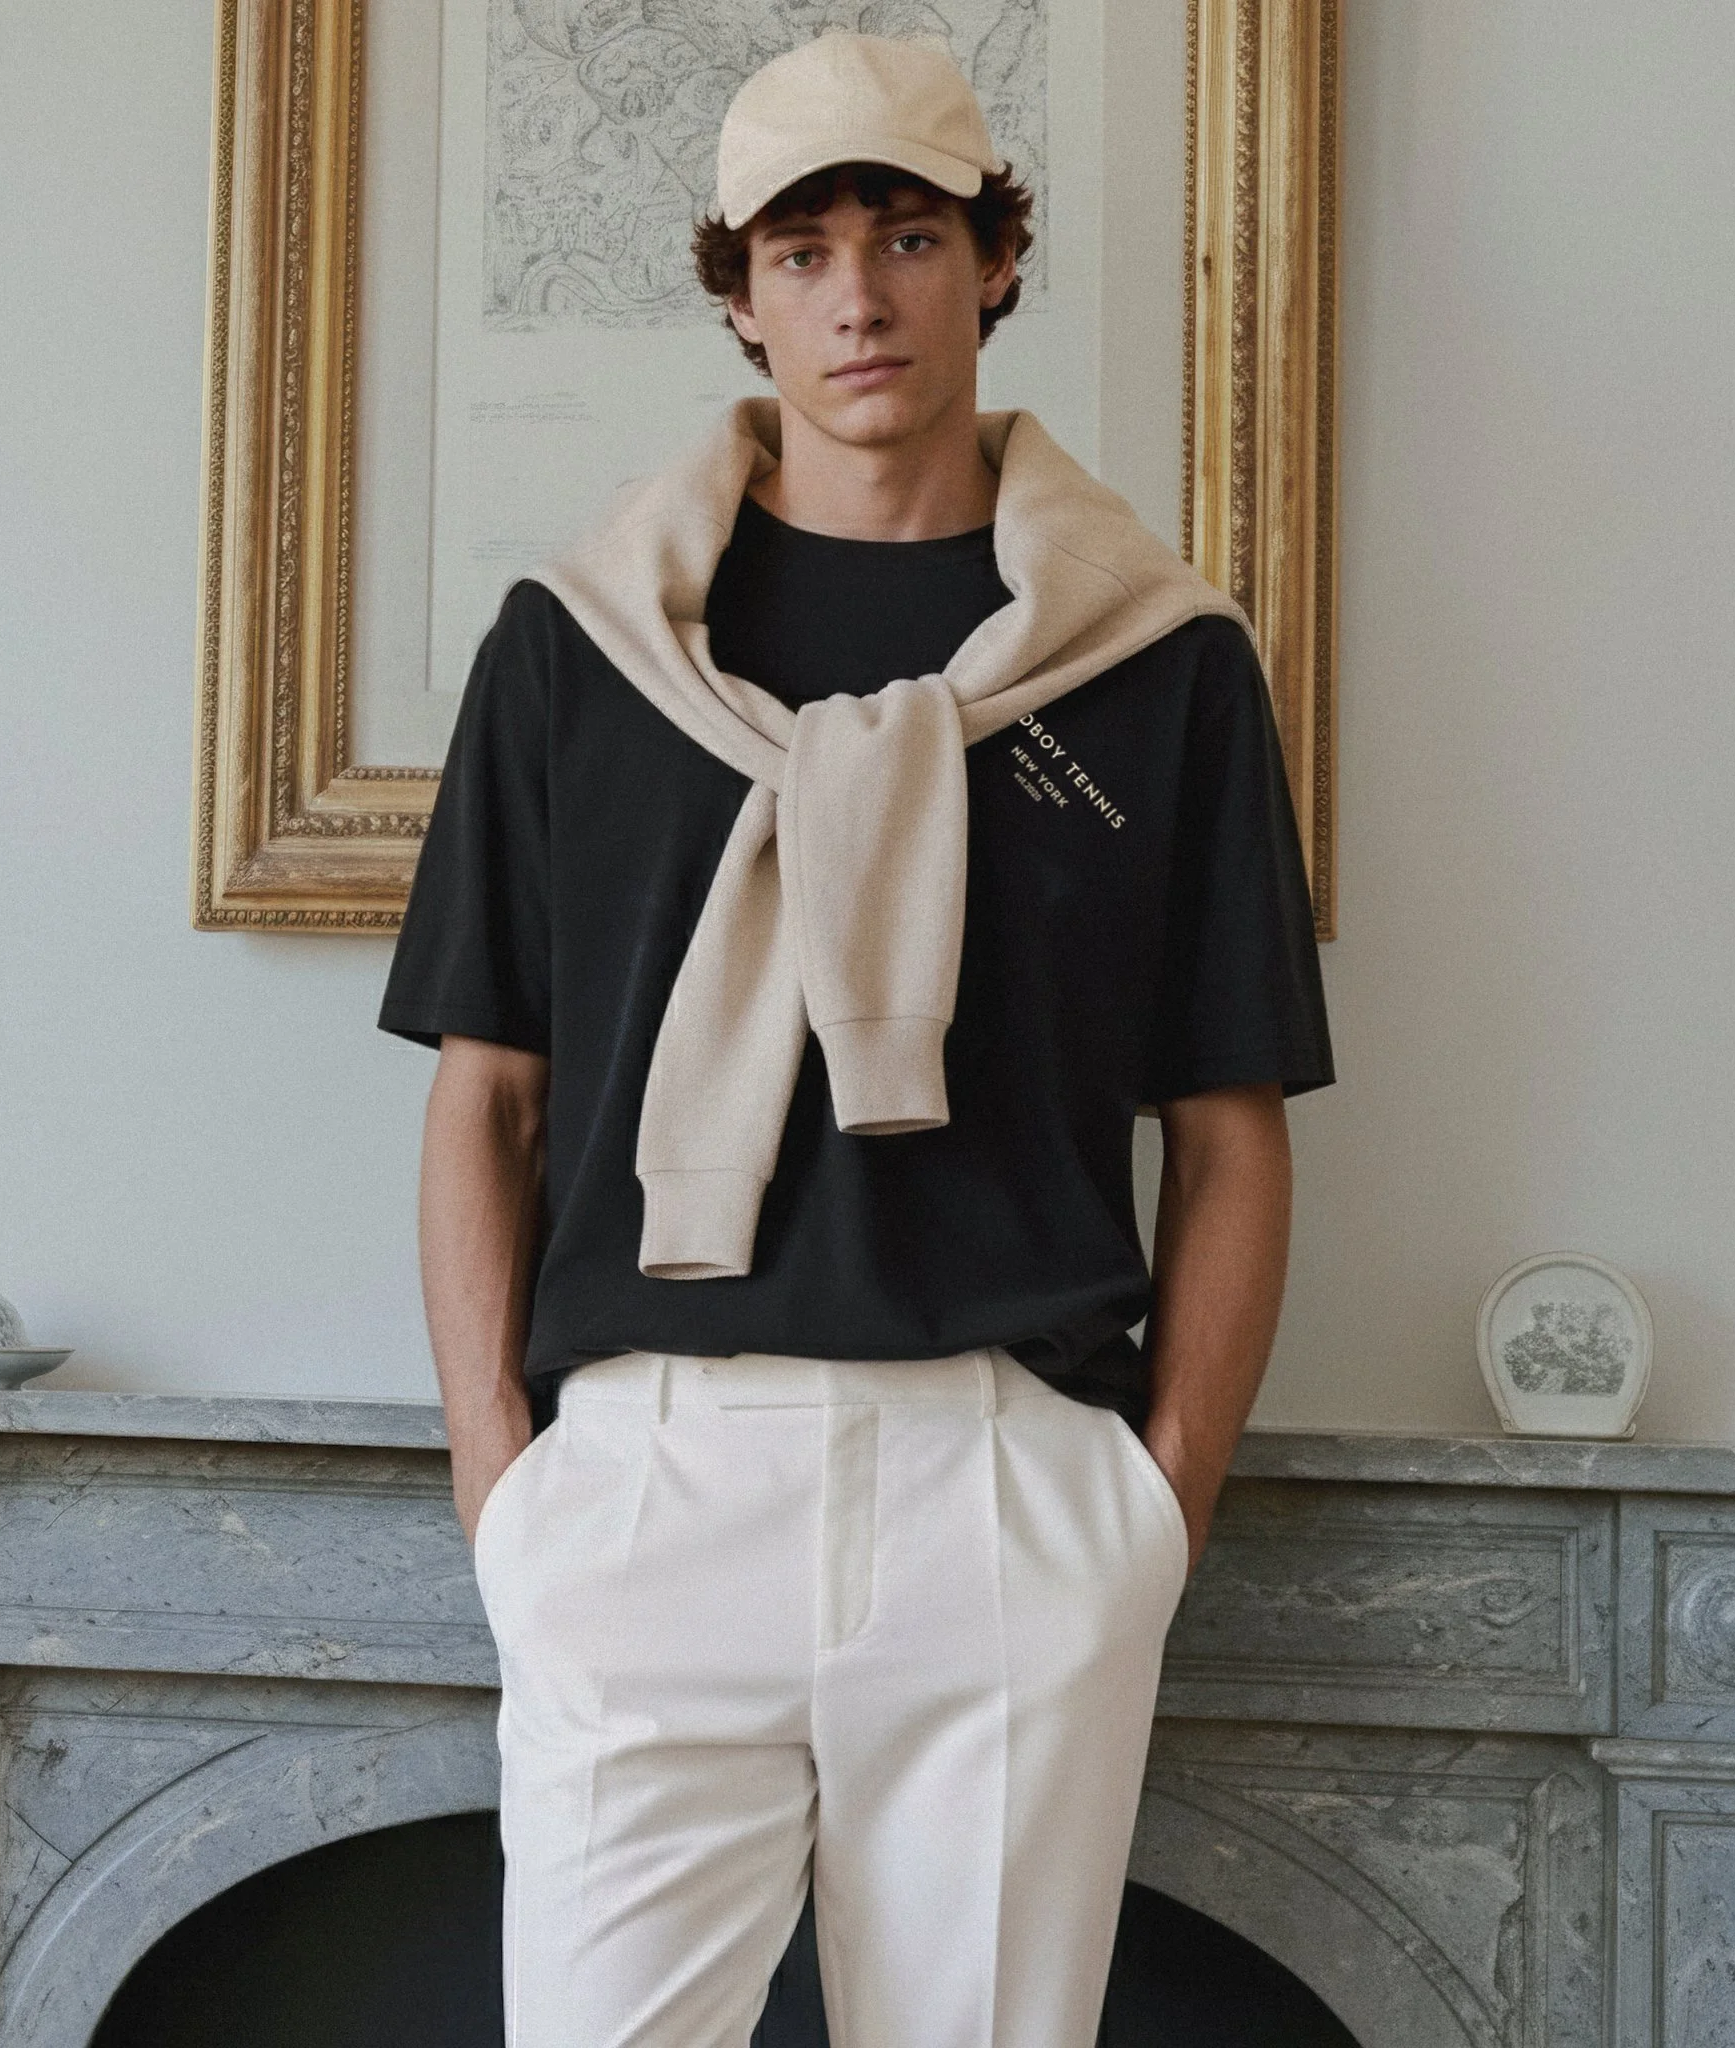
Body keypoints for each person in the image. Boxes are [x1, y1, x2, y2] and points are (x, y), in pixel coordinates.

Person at [379, 30, 1333, 2046]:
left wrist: (1154, 1505)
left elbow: (1228, 1128)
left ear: (992, 261)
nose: (858, 292)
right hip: (644, 1482)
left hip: (1006, 1485)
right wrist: (506, 1493)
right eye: (800, 247)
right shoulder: (579, 650)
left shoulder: (1160, 664)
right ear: (736, 293)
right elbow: (489, 1096)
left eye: (908, 232)